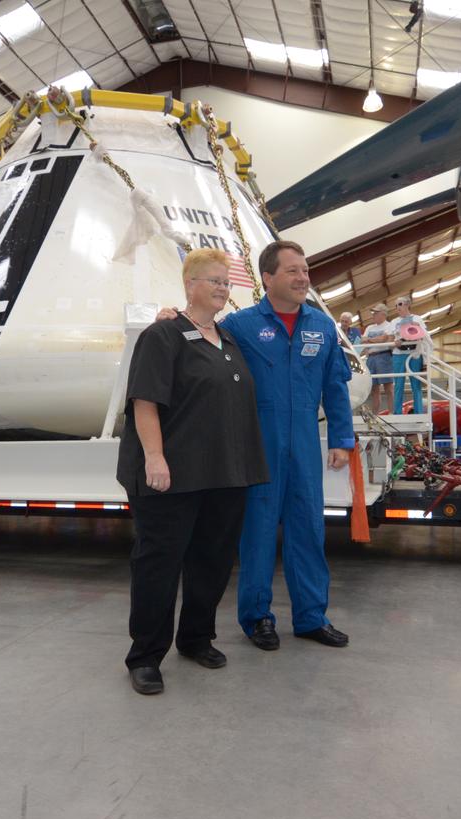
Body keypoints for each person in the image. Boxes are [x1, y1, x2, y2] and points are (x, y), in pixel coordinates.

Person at [164, 241, 355, 649]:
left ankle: (310, 617)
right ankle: (256, 619)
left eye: (305, 270)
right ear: (268, 278)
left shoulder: (321, 327)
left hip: (304, 444)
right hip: (256, 447)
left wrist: (341, 438)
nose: (303, 278)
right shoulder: (242, 325)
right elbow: (200, 340)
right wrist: (170, 318)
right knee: (258, 533)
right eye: (292, 271)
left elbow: (335, 386)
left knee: (309, 530)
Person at [116, 247, 269, 695]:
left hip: (224, 474)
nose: (223, 288)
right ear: (190, 285)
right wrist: (155, 459)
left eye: (226, 281)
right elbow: (144, 401)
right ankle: (145, 656)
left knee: (212, 561)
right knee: (159, 565)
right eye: (214, 280)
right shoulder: (162, 335)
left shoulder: (227, 341)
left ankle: (196, 638)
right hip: (173, 474)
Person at [391, 296, 428, 415]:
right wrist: (394, 342)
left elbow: (423, 335)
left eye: (400, 304)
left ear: (407, 305)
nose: (398, 307)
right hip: (398, 354)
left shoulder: (417, 318)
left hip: (414, 354)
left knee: (416, 384)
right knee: (398, 385)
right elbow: (390, 336)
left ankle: (418, 412)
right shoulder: (393, 322)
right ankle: (397, 412)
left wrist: (416, 326)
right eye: (396, 305)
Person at [362, 303, 395, 414]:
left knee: (388, 387)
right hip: (371, 358)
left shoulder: (389, 325)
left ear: (383, 314)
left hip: (384, 355)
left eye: (375, 313)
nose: (373, 315)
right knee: (374, 388)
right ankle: (375, 414)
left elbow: (384, 339)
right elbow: (363, 340)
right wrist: (375, 340)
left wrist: (370, 340)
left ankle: (392, 412)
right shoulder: (369, 327)